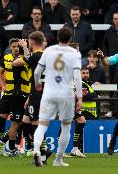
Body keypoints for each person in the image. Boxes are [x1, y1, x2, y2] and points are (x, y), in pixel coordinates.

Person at [33, 27, 82, 167]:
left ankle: (37, 150)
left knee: (42, 124)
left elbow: (37, 72)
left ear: (57, 37)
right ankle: (58, 159)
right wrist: (79, 97)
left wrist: (37, 84)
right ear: (70, 39)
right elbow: (77, 77)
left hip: (49, 93)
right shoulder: (75, 53)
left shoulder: (48, 50)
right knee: (66, 126)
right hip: (66, 94)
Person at [12, 32, 51, 163]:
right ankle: (41, 152)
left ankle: (42, 155)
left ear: (33, 42)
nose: (27, 43)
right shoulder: (46, 56)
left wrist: (24, 47)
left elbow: (15, 63)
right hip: (35, 95)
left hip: (38, 96)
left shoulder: (36, 56)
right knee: (25, 122)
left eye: (28, 41)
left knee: (35, 125)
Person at [0, 38, 31, 157]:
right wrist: (2, 86)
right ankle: (10, 147)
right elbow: (28, 59)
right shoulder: (19, 60)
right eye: (13, 46)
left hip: (23, 94)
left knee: (21, 122)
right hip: (18, 95)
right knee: (16, 122)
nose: (15, 48)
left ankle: (5, 144)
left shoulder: (20, 59)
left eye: (17, 46)